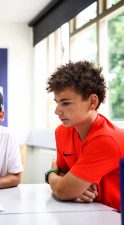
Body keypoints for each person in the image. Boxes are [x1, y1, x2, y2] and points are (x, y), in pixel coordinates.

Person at [45, 61, 124, 211]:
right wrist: (68, 186)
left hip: (115, 216)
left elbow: (62, 189)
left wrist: (50, 175)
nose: (57, 111)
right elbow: (63, 173)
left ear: (92, 102)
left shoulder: (106, 140)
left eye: (65, 103)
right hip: (90, 211)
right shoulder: (62, 132)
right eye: (57, 102)